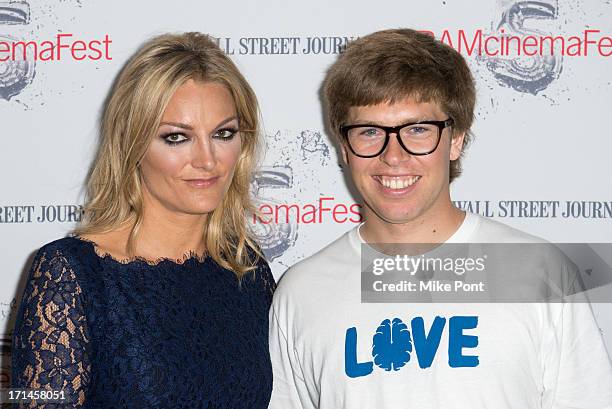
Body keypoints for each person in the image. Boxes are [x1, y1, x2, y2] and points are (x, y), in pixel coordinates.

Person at [268, 28, 612, 408]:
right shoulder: (302, 292)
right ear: (344, 147)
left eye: (417, 130)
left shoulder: (540, 271)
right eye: (369, 132)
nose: (393, 156)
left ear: (457, 138)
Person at [11, 32, 275, 408]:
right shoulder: (70, 272)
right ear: (132, 144)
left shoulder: (246, 268)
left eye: (223, 133)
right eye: (176, 137)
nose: (207, 160)